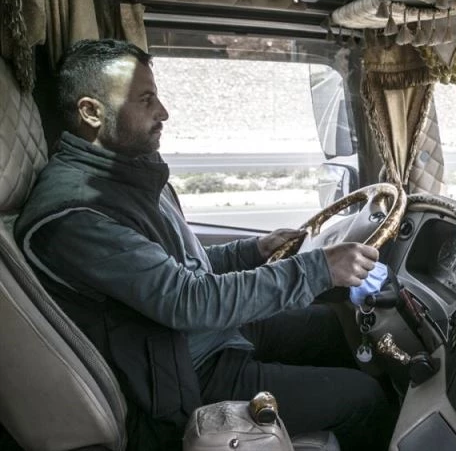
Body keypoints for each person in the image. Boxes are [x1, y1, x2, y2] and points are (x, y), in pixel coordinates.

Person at [15, 39, 395, 451]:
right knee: (364, 398)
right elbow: (186, 300)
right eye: (146, 101)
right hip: (183, 373)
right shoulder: (77, 215)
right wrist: (319, 268)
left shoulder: (121, 175)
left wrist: (251, 251)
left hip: (199, 338)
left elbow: (174, 267)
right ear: (91, 111)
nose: (163, 112)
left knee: (332, 326)